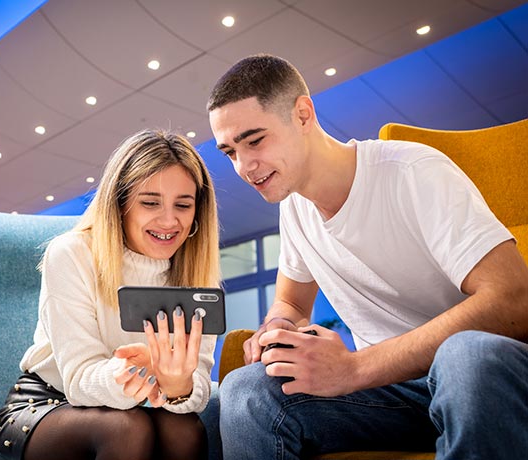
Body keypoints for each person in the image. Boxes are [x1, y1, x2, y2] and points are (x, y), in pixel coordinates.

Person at [206, 54, 528, 459]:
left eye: (254, 141)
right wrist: (278, 329)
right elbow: (290, 303)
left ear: (303, 114)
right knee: (245, 390)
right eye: (229, 152)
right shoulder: (294, 207)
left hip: (479, 379)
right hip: (395, 395)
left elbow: (514, 296)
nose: (245, 166)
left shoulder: (412, 172)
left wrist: (355, 368)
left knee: (465, 356)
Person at [0, 129, 221, 460]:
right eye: (150, 202)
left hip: (134, 409)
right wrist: (142, 371)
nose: (170, 221)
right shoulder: (71, 254)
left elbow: (195, 392)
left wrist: (178, 385)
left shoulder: (199, 277)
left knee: (184, 430)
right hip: (44, 406)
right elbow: (79, 380)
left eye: (183, 205)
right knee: (127, 428)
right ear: (120, 203)